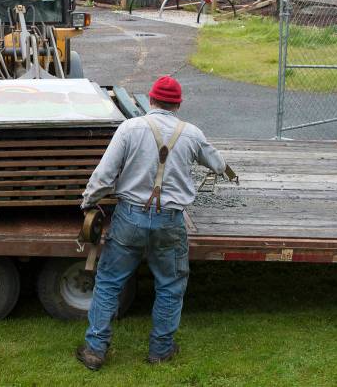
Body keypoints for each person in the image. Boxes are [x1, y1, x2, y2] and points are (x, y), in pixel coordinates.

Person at [75, 75, 228, 371]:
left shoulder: (130, 128)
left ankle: (95, 350)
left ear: (152, 99)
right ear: (178, 105)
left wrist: (88, 202)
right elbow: (220, 166)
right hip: (170, 221)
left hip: (129, 218)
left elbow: (104, 175)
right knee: (170, 286)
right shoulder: (191, 133)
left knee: (109, 283)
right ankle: (160, 350)